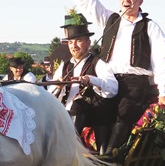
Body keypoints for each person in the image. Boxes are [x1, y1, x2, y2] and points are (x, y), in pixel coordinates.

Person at [73, 0, 165, 155]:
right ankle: (101, 154)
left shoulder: (150, 26)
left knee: (124, 112)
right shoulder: (110, 19)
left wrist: (164, 91)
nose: (126, 0)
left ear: (140, 1)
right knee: (99, 110)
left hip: (135, 83)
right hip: (108, 78)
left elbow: (163, 60)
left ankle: (112, 155)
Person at [49, 12, 118, 153]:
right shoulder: (64, 66)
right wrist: (57, 86)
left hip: (91, 114)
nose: (73, 46)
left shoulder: (98, 63)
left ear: (88, 42)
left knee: (78, 104)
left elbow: (113, 88)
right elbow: (49, 93)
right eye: (70, 42)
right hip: (64, 113)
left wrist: (91, 80)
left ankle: (68, 148)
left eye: (78, 41)